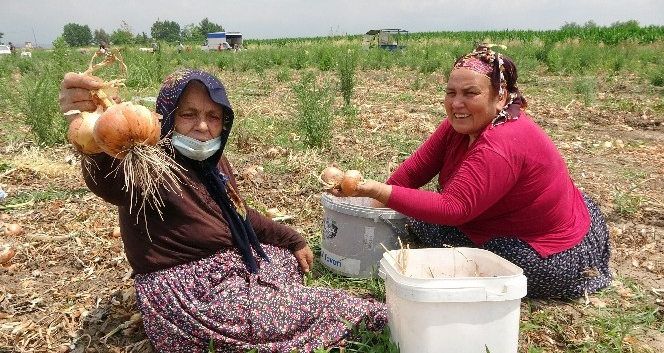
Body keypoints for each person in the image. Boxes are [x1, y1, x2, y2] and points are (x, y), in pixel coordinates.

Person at [59, 69, 387, 352]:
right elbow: (111, 178)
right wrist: (98, 135)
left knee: (284, 259)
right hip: (189, 295)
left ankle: (279, 304)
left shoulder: (211, 162)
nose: (203, 126)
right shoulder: (146, 159)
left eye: (213, 116)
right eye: (188, 115)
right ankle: (376, 317)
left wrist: (293, 238)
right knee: (343, 309)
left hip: (226, 268)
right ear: (166, 115)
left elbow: (238, 213)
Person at [333, 44, 612, 299]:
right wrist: (372, 209)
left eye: (470, 93)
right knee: (414, 215)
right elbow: (415, 171)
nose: (456, 104)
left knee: (463, 258)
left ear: (500, 97)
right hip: (519, 219)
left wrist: (372, 188)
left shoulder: (502, 142)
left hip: (549, 248)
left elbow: (455, 207)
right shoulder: (459, 125)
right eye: (451, 93)